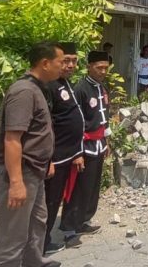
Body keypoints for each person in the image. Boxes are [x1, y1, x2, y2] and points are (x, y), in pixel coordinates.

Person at [0, 41, 64, 267]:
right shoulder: (23, 91)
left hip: (35, 170)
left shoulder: (37, 88)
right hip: (22, 172)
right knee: (12, 234)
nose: (63, 67)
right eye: (60, 62)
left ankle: (34, 262)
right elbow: (12, 139)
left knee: (37, 222)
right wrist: (16, 183)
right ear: (45, 63)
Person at [58, 51, 111, 246]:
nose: (103, 71)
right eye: (99, 67)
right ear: (89, 66)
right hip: (84, 146)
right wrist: (77, 153)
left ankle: (83, 220)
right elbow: (76, 123)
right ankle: (69, 229)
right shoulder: (80, 88)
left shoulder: (102, 88)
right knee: (78, 188)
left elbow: (105, 116)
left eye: (106, 68)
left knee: (92, 187)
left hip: (98, 145)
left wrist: (107, 143)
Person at [43, 43, 85, 254]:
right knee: (49, 201)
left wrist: (77, 152)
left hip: (69, 154)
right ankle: (40, 244)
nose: (70, 65)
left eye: (74, 61)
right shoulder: (49, 86)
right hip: (55, 157)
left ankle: (44, 240)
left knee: (57, 198)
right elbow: (46, 124)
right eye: (65, 61)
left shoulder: (67, 84)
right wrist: (48, 158)